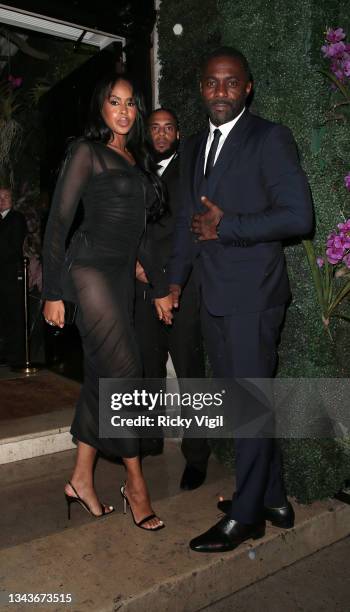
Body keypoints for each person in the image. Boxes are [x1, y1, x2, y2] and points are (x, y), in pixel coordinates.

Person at [168, 47, 313, 552]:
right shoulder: (193, 148)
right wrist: (174, 282)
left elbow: (299, 217)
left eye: (232, 83)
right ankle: (272, 497)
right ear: (202, 89)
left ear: (247, 88)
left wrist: (229, 226)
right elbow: (190, 224)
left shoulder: (270, 138)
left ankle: (248, 517)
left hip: (254, 296)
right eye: (212, 83)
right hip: (212, 296)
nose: (221, 92)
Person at [42, 73, 173, 531]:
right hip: (88, 269)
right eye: (114, 102)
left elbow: (136, 233)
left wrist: (154, 283)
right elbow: (58, 223)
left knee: (102, 377)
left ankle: (81, 479)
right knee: (125, 372)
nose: (122, 110)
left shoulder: (136, 160)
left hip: (120, 278)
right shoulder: (87, 152)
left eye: (130, 103)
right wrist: (53, 291)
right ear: (102, 108)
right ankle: (136, 484)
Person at [134, 108, 210, 490]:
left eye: (168, 128)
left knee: (190, 372)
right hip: (143, 286)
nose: (162, 134)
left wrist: (162, 274)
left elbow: (190, 232)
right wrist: (136, 263)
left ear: (178, 134)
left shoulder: (191, 170)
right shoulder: (136, 168)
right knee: (148, 366)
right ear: (147, 133)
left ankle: (197, 458)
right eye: (155, 128)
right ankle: (148, 442)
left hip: (182, 287)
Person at [0, 184, 26, 366]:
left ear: (12, 200)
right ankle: (4, 353)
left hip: (10, 276)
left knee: (13, 314)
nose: (1, 201)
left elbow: (13, 248)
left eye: (5, 197)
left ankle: (16, 356)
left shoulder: (16, 219)